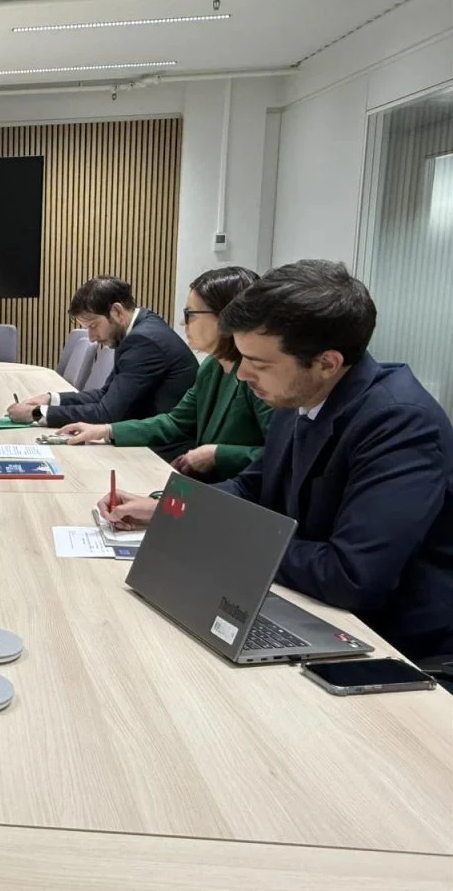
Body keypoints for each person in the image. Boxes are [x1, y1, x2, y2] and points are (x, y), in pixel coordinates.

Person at [99, 260, 453, 664]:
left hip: (394, 647)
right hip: (315, 607)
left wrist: (216, 533)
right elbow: (253, 484)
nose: (243, 375)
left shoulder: (400, 423)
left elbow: (351, 576)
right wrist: (170, 509)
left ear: (327, 363)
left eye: (260, 364)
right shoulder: (299, 393)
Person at [57, 267, 271, 482]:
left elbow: (279, 457)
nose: (183, 323)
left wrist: (217, 454)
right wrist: (106, 431)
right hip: (208, 485)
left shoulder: (260, 377)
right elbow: (175, 422)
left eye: (190, 314)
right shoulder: (211, 366)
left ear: (227, 317)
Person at [7, 277, 198, 457]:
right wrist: (51, 399)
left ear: (117, 311)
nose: (91, 338)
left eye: (93, 326)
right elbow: (105, 394)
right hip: (145, 440)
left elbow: (107, 413)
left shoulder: (144, 341)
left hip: (164, 452)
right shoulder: (140, 328)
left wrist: (37, 414)